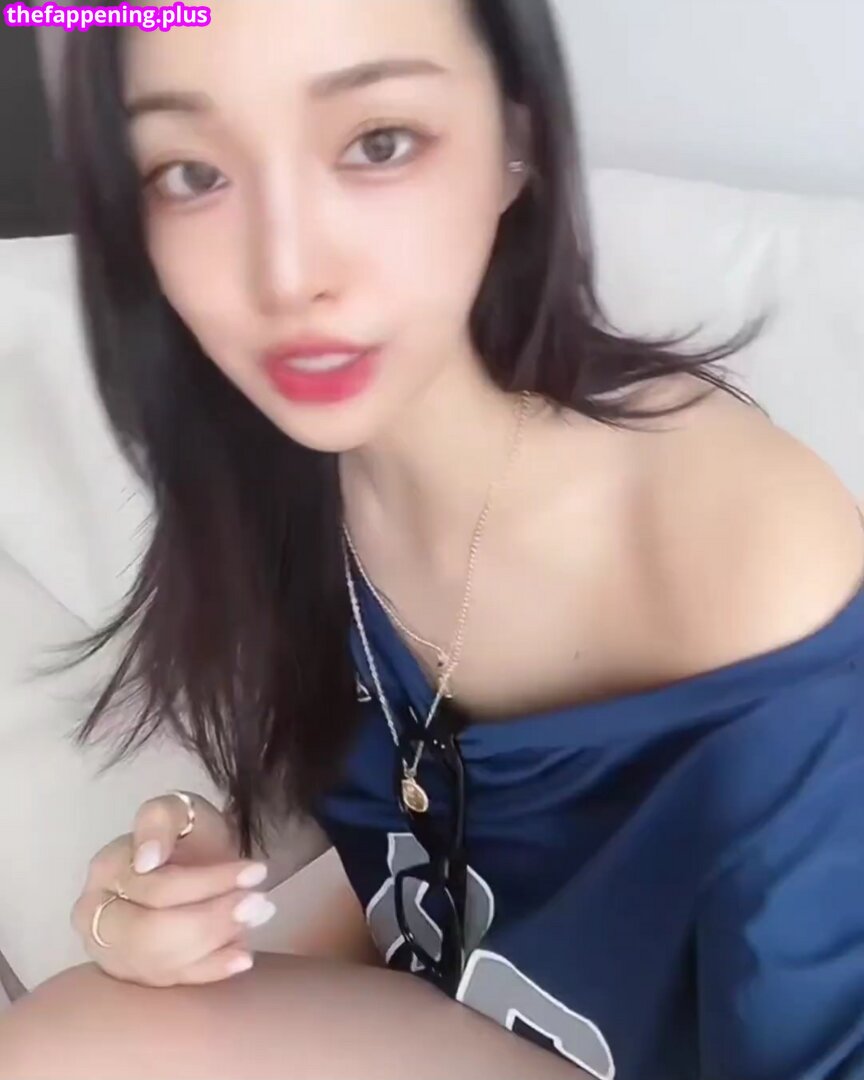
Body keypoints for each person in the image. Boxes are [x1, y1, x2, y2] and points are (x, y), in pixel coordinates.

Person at [2, 1, 864, 1077]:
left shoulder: (734, 548)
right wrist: (181, 866)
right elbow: (354, 783)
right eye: (192, 173)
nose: (285, 274)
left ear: (516, 141)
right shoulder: (288, 460)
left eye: (378, 144)